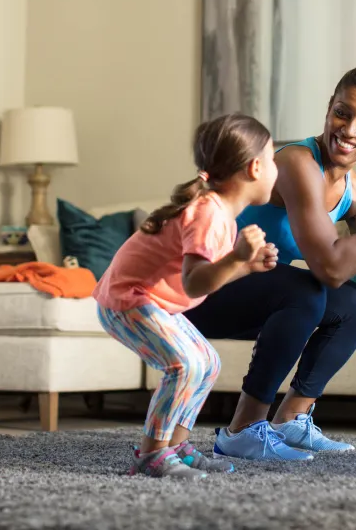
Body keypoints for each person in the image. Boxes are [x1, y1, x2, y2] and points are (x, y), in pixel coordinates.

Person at [184, 66, 356, 461]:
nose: (349, 129)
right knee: (305, 290)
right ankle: (243, 431)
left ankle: (291, 420)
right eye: (342, 112)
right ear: (328, 109)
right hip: (198, 288)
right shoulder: (296, 162)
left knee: (354, 304)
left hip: (249, 291)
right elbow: (330, 268)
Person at [93, 113, 281, 480]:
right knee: (185, 365)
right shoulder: (209, 213)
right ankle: (151, 455)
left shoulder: (220, 213)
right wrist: (238, 258)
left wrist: (246, 266)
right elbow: (195, 283)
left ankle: (176, 447)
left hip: (148, 300)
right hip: (127, 299)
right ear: (256, 168)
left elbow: (207, 276)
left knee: (207, 361)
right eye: (273, 159)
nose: (276, 168)